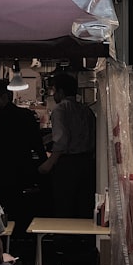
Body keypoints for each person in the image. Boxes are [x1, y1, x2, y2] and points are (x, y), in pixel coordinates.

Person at [0, 79, 47, 230]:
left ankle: (5, 238)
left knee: (3, 207)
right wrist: (42, 161)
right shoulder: (27, 115)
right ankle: (22, 237)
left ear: (4, 97)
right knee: (22, 207)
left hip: (0, 171)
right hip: (23, 169)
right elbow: (37, 143)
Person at [38, 73, 96, 219]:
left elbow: (62, 140)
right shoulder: (86, 110)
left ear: (61, 92)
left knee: (64, 206)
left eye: (54, 90)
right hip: (88, 162)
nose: (53, 94)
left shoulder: (60, 110)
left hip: (67, 165)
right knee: (84, 205)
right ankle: (85, 239)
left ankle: (63, 239)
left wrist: (48, 164)